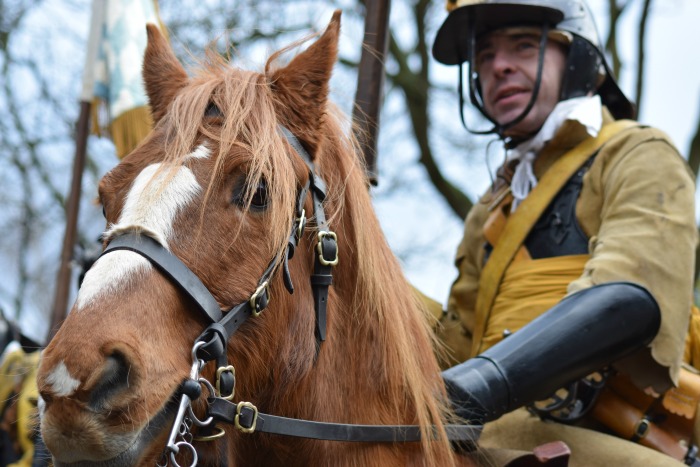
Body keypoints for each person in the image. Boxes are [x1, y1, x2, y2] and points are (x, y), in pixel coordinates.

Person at [428, 0, 700, 465]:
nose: (499, 66)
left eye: (523, 46)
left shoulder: (635, 153)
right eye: (485, 55)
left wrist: (477, 387)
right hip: (487, 428)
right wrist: (362, 263)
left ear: (576, 58)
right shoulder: (492, 207)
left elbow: (628, 300)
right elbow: (450, 348)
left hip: (603, 428)